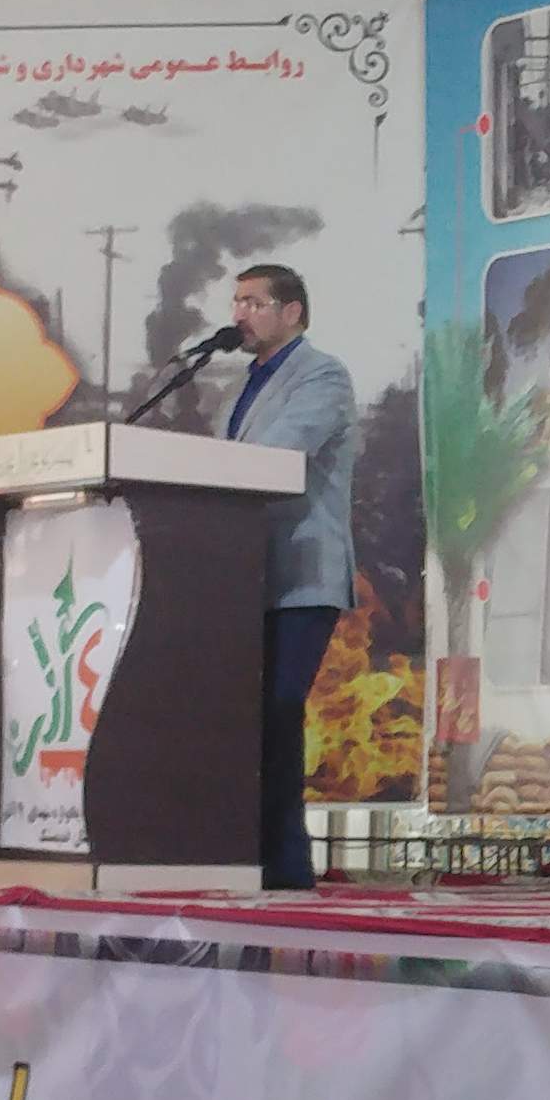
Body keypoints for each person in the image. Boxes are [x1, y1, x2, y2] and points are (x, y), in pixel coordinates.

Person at [216, 263, 358, 890]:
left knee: (277, 709)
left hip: (301, 573)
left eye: (254, 302)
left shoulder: (322, 375)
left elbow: (278, 456)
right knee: (243, 718)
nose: (239, 314)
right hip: (242, 576)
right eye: (236, 301)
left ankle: (286, 866)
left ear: (291, 311)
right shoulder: (238, 389)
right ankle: (242, 855)